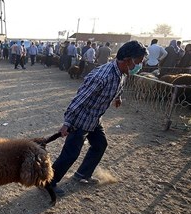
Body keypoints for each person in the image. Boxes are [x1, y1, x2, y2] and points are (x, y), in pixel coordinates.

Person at [45, 40, 148, 196]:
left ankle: (82, 174)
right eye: (138, 62)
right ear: (128, 60)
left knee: (100, 144)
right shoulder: (102, 76)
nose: (139, 66)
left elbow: (118, 86)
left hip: (95, 118)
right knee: (70, 154)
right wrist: (67, 122)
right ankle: (48, 182)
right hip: (81, 120)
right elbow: (79, 99)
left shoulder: (122, 73)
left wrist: (117, 97)